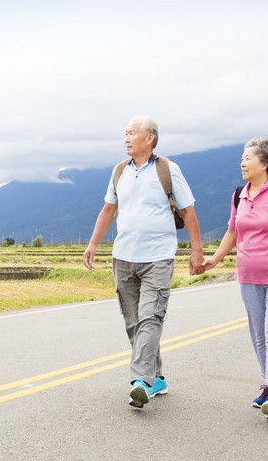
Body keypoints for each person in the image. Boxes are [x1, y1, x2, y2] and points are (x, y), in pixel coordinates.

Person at [83, 116, 204, 409]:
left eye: (131, 133)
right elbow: (108, 210)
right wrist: (93, 244)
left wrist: (196, 251)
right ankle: (157, 378)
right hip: (123, 257)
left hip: (158, 257)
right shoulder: (119, 171)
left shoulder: (168, 170)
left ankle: (140, 381)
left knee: (151, 317)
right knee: (134, 323)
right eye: (124, 134)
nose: (126, 138)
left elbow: (188, 211)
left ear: (149, 138)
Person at [199, 136, 268, 422]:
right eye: (242, 158)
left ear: (264, 163)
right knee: (259, 335)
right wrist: (215, 259)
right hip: (249, 277)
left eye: (247, 158)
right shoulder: (239, 195)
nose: (242, 162)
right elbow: (232, 231)